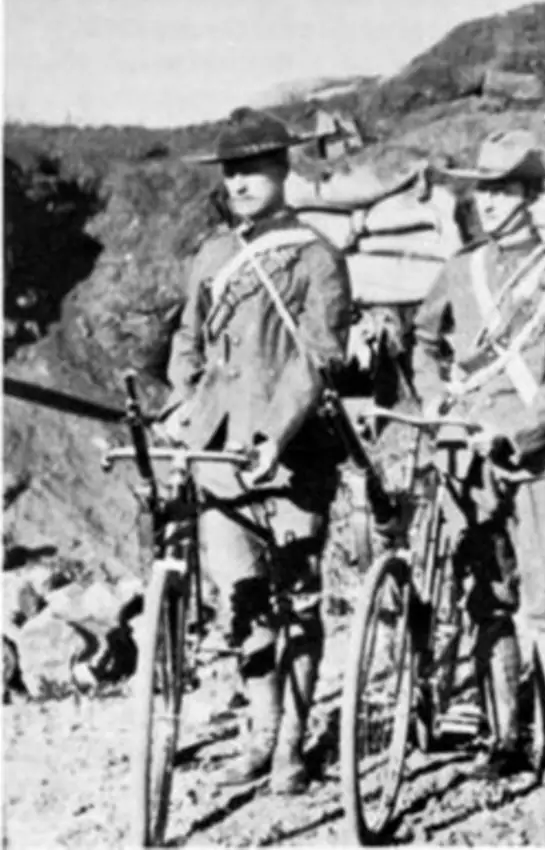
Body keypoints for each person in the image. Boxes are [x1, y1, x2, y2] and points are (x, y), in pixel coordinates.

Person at [163, 108, 353, 794]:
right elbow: (187, 340)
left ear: (284, 170)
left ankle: (293, 745)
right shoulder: (213, 254)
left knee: (297, 600)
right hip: (219, 456)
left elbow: (320, 358)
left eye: (254, 170)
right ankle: (261, 732)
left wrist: (276, 432)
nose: (240, 183)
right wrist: (183, 402)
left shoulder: (316, 255)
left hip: (293, 454)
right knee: (241, 599)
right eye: (232, 172)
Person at [411, 126, 545, 786]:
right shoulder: (460, 270)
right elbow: (423, 341)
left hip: (535, 460)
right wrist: (434, 397)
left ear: (529, 194)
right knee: (486, 599)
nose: (489, 202)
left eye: (503, 190)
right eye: (483, 191)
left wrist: (518, 432)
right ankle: (503, 737)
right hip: (466, 458)